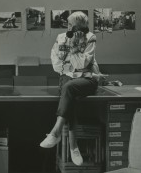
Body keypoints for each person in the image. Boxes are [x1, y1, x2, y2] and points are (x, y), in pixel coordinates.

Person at [40, 11, 101, 167]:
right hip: (68, 78)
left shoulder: (91, 38)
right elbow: (55, 62)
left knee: (68, 88)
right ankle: (74, 146)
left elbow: (82, 65)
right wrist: (71, 63)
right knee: (69, 93)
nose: (67, 27)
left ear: (80, 27)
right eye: (68, 24)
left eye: (71, 25)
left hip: (88, 79)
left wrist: (73, 48)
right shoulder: (61, 37)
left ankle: (56, 132)